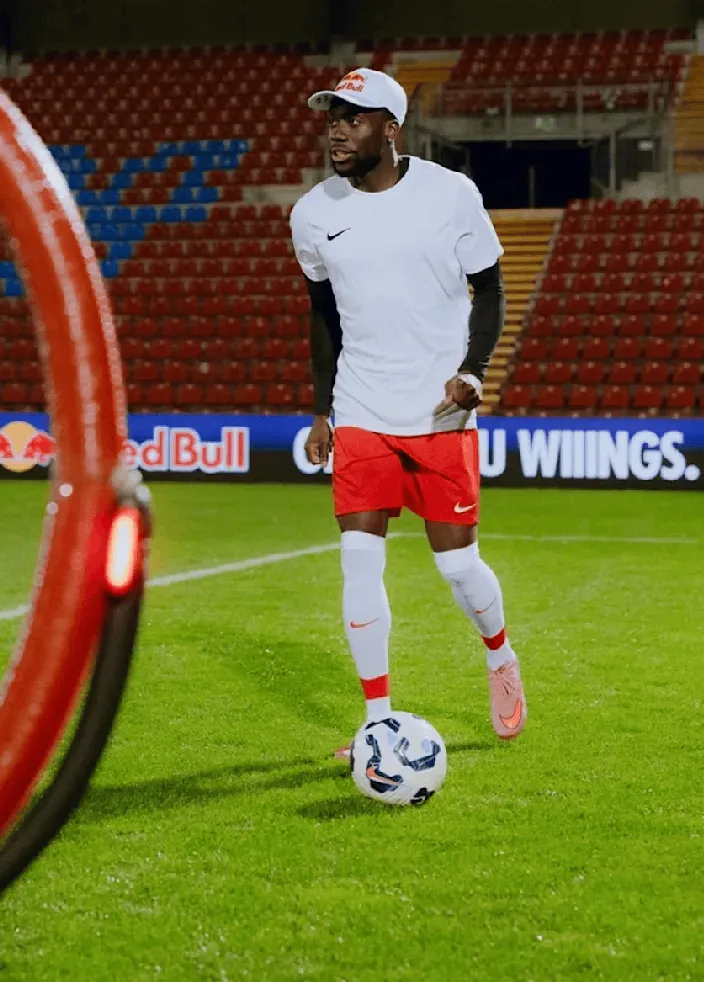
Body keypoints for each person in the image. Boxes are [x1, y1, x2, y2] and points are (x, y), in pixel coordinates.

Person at [289, 68, 526, 753]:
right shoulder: (313, 212)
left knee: (458, 568)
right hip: (362, 407)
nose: (337, 131)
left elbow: (491, 290)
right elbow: (322, 315)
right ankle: (376, 721)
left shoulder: (451, 195)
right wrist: (323, 410)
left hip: (438, 413)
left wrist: (472, 372)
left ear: (390, 128)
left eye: (353, 118)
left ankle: (500, 655)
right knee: (359, 562)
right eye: (332, 118)